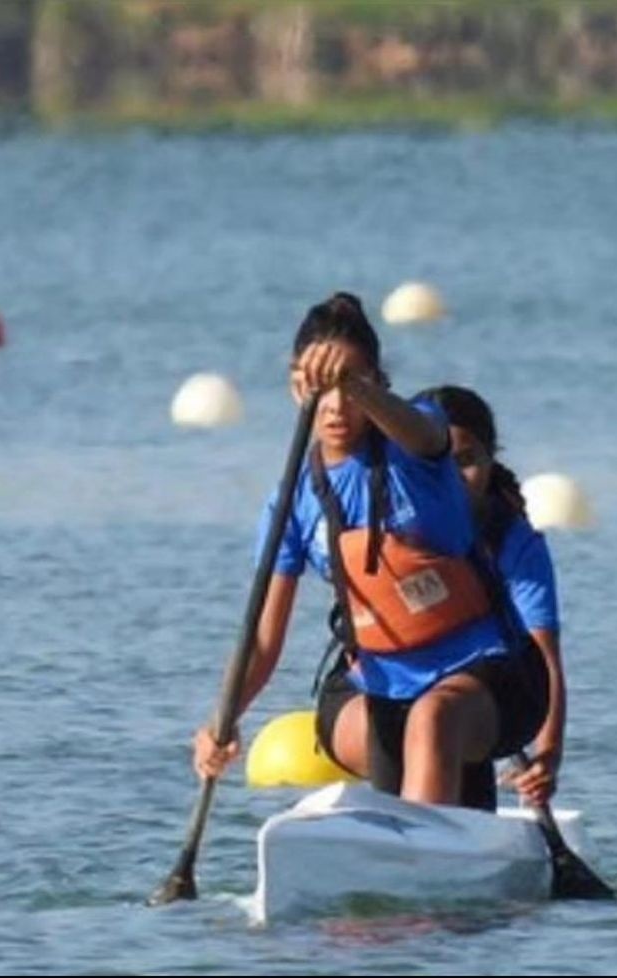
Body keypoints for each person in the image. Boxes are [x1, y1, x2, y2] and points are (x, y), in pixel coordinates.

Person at [193, 292, 547, 805]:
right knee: (401, 728)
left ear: (378, 383)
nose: (336, 407)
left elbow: (427, 434)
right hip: (382, 686)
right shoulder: (291, 502)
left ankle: (421, 852)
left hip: (494, 672)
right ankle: (435, 829)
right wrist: (220, 722)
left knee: (433, 717)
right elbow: (264, 645)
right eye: (320, 388)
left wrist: (351, 383)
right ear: (297, 386)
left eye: (352, 388)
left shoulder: (417, 441)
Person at [423, 385, 565, 807]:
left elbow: (546, 660)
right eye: (438, 465)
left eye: (466, 461)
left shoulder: (516, 544)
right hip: (395, 693)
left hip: (480, 702)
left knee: (442, 720)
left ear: (491, 459)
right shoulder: (390, 526)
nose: (452, 480)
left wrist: (547, 756)